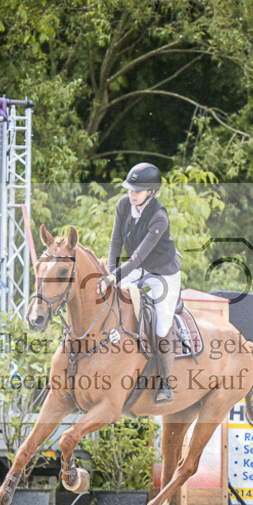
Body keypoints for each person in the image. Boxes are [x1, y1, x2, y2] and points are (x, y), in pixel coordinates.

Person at [98, 162, 181, 405]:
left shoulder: (159, 218)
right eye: (130, 189)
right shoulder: (124, 204)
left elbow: (138, 258)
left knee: (162, 326)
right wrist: (110, 274)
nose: (131, 194)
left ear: (151, 192)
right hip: (136, 268)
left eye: (137, 190)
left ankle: (166, 385)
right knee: (106, 296)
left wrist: (115, 277)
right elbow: (115, 243)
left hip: (163, 274)